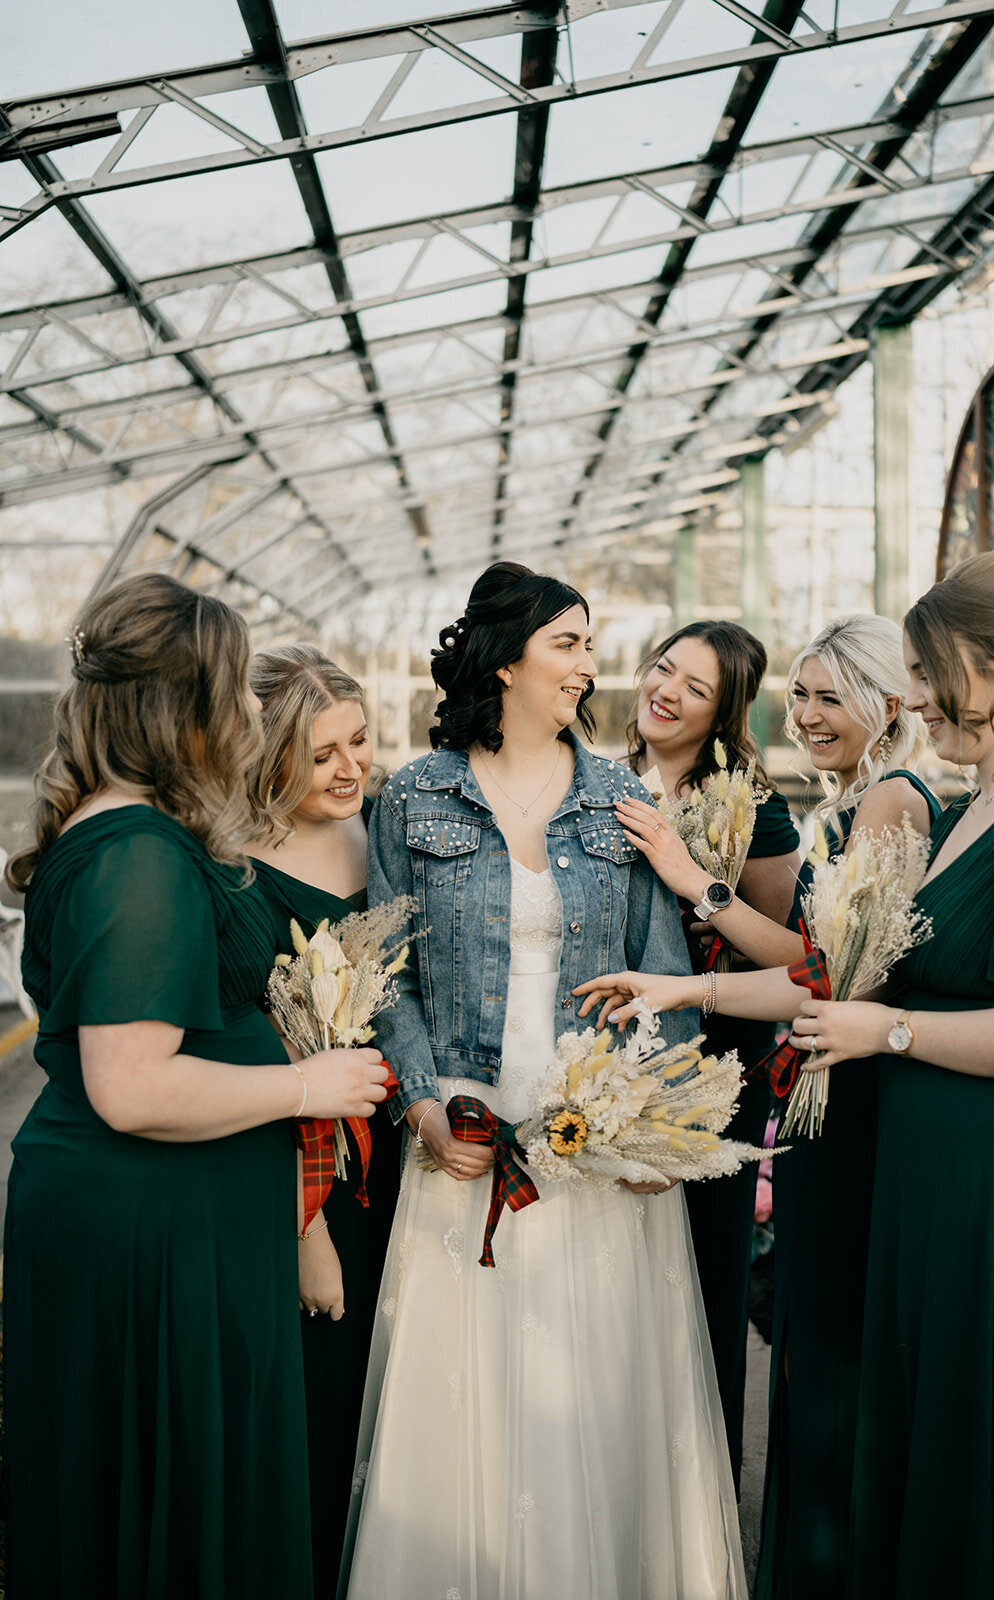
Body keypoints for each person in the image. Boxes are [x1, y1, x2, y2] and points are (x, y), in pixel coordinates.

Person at [340, 562, 746, 1600]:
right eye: (567, 642)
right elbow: (385, 975)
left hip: (593, 1148)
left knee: (598, 1393)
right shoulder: (413, 794)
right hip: (460, 1134)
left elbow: (659, 978)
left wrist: (658, 1128)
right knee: (463, 1403)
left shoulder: (622, 801)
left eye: (585, 643)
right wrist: (423, 1101)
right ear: (506, 655)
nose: (587, 663)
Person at [3, 575, 389, 1600]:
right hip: (147, 1235)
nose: (254, 711)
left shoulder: (136, 832)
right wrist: (306, 1084)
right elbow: (131, 1087)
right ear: (188, 708)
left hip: (172, 1221)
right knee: (167, 1505)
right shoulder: (136, 854)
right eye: (240, 689)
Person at [583, 614, 940, 1600]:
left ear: (891, 702)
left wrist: (691, 896)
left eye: (831, 695)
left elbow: (821, 973)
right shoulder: (854, 802)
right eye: (803, 692)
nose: (809, 713)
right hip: (806, 1088)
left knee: (812, 1341)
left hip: (832, 1099)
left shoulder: (878, 808)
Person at [782, 552, 994, 1600]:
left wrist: (888, 1032)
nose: (909, 699)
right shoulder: (967, 808)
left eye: (925, 671)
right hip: (928, 1184)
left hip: (991, 1189)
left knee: (966, 1443)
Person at [626, 620, 800, 1488]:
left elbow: (787, 952)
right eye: (664, 668)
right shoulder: (595, 777)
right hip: (611, 1054)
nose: (667, 691)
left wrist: (694, 881)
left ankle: (699, 1487)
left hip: (717, 1060)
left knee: (702, 1277)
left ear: (724, 711)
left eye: (695, 688)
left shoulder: (751, 803)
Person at [245, 644, 402, 1600]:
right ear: (267, 759)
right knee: (313, 1405)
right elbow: (256, 1061)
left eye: (360, 740)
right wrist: (306, 1230)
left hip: (402, 1160)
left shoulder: (385, 830)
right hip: (302, 1178)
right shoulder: (234, 872)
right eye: (321, 753)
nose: (351, 768)